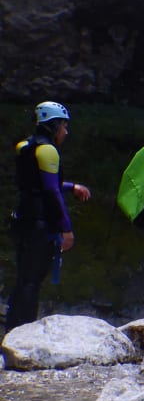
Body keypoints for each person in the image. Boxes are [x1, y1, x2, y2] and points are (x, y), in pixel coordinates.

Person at [6, 101, 91, 330]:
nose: (66, 132)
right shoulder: (48, 150)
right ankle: (22, 333)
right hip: (39, 225)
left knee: (24, 279)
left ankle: (11, 329)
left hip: (22, 220)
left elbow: (38, 183)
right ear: (53, 126)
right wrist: (66, 229)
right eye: (64, 126)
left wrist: (72, 187)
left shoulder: (25, 146)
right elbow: (51, 191)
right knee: (32, 282)